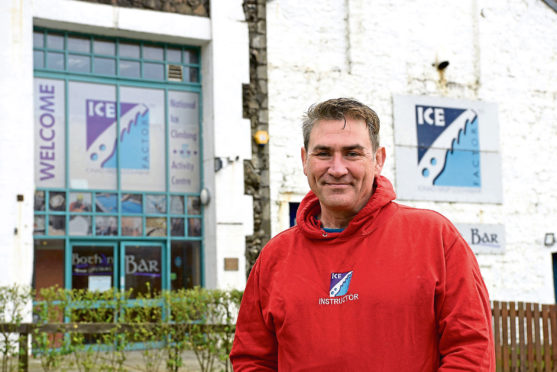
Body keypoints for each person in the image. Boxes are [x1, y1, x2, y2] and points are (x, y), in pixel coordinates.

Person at [230, 98, 495, 371]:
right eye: (322, 153)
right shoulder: (275, 257)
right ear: (305, 161)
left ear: (378, 160)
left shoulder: (435, 238)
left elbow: (471, 349)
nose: (337, 168)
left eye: (352, 153)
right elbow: (253, 359)